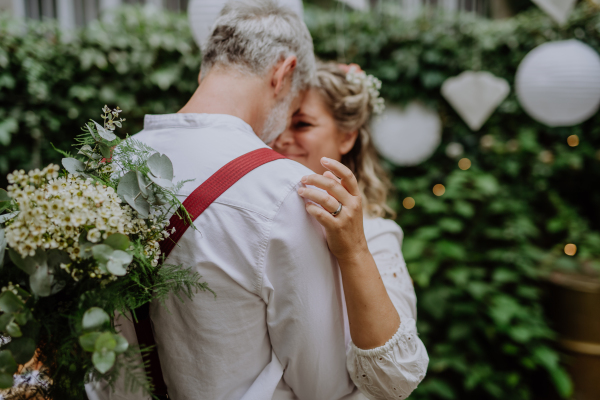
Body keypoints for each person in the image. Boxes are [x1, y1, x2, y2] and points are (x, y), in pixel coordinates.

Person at [88, 2, 356, 399]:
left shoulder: (108, 167)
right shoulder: (286, 189)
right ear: (283, 74)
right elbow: (323, 384)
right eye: (295, 107)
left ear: (204, 70)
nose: (283, 128)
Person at [271, 62, 429, 399]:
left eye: (302, 124)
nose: (282, 138)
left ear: (347, 136)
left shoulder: (375, 236)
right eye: (277, 123)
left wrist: (353, 251)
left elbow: (396, 380)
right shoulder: (259, 223)